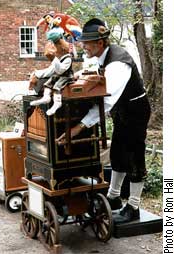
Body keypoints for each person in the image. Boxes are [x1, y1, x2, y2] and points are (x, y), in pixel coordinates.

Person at [57, 18, 151, 223]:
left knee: (135, 158)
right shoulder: (101, 56)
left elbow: (106, 101)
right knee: (118, 153)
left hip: (135, 111)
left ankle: (133, 206)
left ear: (100, 43)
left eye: (87, 43)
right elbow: (92, 74)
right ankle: (113, 197)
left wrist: (78, 127)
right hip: (120, 111)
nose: (83, 46)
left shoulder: (118, 63)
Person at [29, 31, 74, 116]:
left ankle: (57, 103)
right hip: (58, 76)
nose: (53, 48)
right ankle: (46, 97)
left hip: (66, 77)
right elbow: (51, 70)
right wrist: (36, 73)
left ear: (61, 47)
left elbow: (60, 70)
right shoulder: (58, 58)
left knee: (57, 86)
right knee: (48, 83)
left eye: (55, 45)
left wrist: (53, 58)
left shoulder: (68, 58)